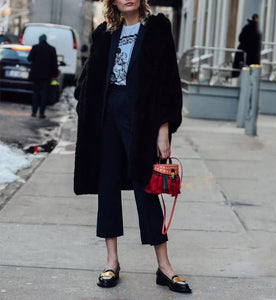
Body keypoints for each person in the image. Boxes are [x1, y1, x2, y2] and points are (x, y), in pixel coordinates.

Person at [73, 0, 191, 294]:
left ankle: (164, 266)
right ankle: (112, 261)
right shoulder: (104, 34)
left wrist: (164, 128)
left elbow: (168, 82)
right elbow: (89, 77)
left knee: (146, 188)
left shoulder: (157, 29)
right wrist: (84, 102)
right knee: (108, 185)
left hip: (141, 120)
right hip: (106, 118)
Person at [28, 34, 58, 118]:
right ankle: (41, 113)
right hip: (47, 76)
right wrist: (54, 75)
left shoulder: (35, 47)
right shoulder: (52, 49)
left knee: (35, 93)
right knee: (44, 93)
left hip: (36, 75)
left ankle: (34, 112)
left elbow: (29, 58)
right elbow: (54, 64)